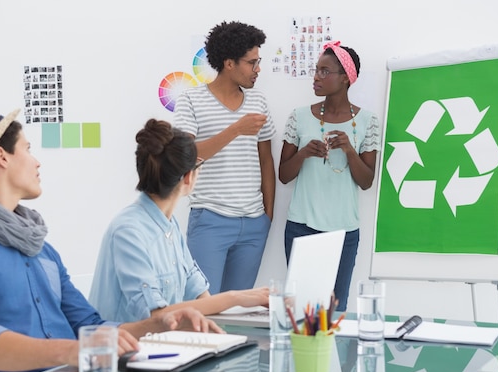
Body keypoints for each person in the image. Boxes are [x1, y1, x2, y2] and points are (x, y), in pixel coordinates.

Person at [0, 104, 220, 372]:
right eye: (28, 148)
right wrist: (73, 352)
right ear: (2, 157)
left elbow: (91, 327)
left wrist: (158, 326)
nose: (37, 162)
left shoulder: (40, 248)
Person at [89, 118, 269, 324]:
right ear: (187, 177)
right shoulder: (128, 231)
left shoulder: (168, 224)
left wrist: (226, 321)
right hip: (123, 351)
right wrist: (234, 297)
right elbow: (156, 315)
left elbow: (195, 285)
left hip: (163, 343)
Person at [173, 21, 276, 294]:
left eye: (259, 61)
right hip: (210, 221)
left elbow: (266, 160)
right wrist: (235, 130)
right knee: (203, 309)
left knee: (238, 312)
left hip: (254, 223)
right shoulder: (191, 100)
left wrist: (268, 215)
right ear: (229, 63)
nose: (258, 69)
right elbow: (185, 157)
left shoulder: (258, 101)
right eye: (251, 62)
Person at [278, 41, 381, 311]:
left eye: (325, 72)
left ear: (346, 78)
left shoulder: (368, 121)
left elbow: (367, 181)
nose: (316, 77)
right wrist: (302, 154)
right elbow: (284, 176)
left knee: (335, 311)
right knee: (302, 310)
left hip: (344, 231)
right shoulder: (299, 117)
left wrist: (349, 149)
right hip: (301, 227)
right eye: (316, 70)